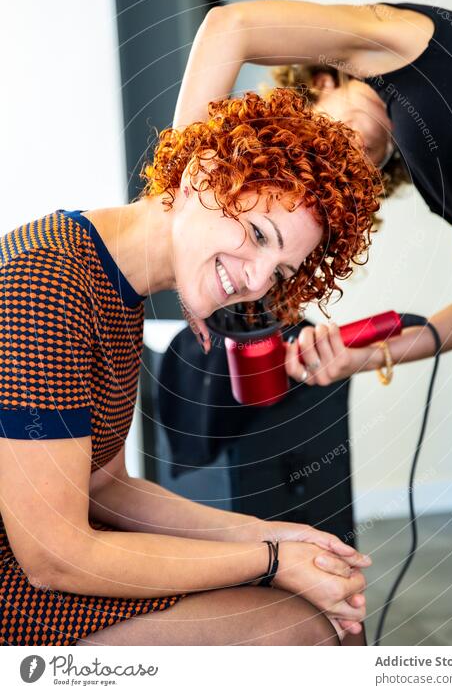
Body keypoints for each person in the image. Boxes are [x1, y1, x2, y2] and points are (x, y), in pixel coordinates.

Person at [173, 0, 452, 645]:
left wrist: (180, 199)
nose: (340, 163)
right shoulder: (444, 182)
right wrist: (360, 355)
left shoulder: (391, 41)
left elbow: (229, 25)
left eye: (323, 146)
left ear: (321, 81)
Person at [0, 89, 380, 646]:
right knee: (299, 630)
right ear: (204, 174)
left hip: (41, 560)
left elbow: (103, 486)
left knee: (313, 611)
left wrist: (273, 537)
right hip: (25, 574)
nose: (254, 282)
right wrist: (269, 562)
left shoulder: (115, 282)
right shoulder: (45, 286)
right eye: (256, 236)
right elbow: (54, 556)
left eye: (278, 273)